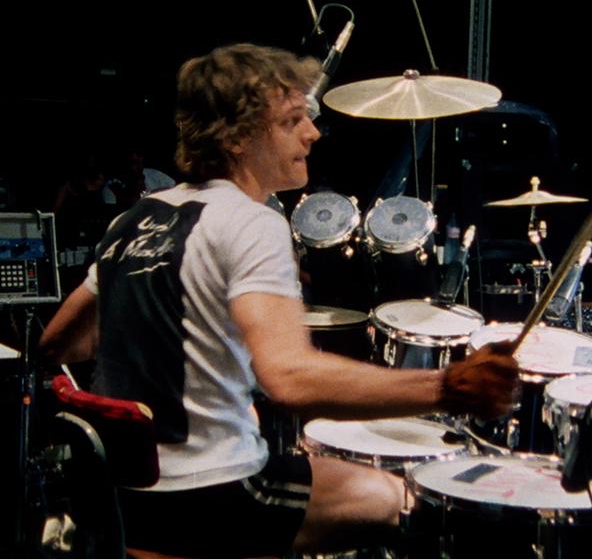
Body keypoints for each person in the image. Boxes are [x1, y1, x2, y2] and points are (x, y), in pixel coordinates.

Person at [38, 43, 520, 558]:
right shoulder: (254, 223)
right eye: (293, 121)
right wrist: (445, 388)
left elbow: (60, 345)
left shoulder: (133, 219)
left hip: (121, 501)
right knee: (395, 497)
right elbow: (290, 380)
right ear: (239, 136)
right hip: (213, 494)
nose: (312, 134)